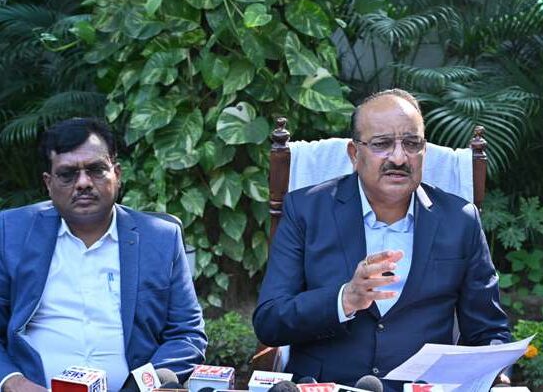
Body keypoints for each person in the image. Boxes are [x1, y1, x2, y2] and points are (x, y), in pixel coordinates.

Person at [253, 89, 511, 390]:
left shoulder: (459, 220)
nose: (399, 157)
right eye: (382, 144)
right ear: (354, 154)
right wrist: (345, 299)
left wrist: (498, 378)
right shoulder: (306, 211)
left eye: (412, 144)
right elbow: (270, 321)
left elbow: (488, 332)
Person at [0, 118, 207, 392]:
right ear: (48, 183)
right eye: (68, 174)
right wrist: (13, 381)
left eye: (96, 170)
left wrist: (147, 383)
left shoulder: (160, 238)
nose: (83, 183)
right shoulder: (11, 232)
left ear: (117, 174)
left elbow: (186, 334)